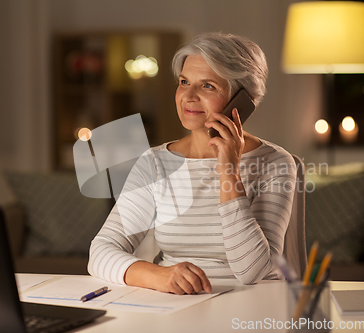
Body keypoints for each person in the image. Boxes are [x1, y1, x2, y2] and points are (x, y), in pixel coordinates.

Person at [88, 32, 297, 295]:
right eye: (184, 81)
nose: (188, 96)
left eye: (208, 85)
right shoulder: (155, 163)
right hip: (176, 305)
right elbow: (100, 252)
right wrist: (159, 276)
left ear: (243, 101)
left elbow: (251, 272)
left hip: (250, 306)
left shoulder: (274, 162)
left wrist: (228, 171)